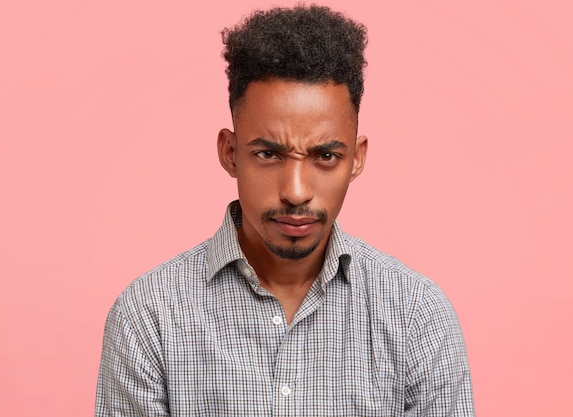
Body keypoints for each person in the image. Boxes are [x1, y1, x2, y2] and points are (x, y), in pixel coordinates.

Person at [95, 5, 475, 416]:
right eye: (268, 154)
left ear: (357, 159)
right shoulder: (149, 319)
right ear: (229, 153)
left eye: (326, 156)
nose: (296, 192)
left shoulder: (417, 317)